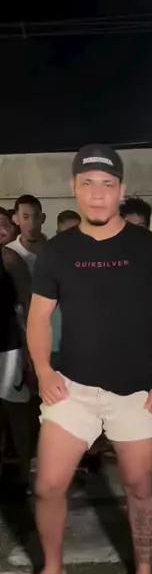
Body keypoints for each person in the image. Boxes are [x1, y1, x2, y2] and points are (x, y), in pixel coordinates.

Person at [18, 144, 152, 574]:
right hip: (73, 389)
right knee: (48, 485)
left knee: (139, 489)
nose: (97, 194)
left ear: (121, 190)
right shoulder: (57, 251)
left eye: (107, 185)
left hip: (136, 391)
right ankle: (52, 567)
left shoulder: (149, 248)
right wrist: (44, 370)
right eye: (88, 184)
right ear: (73, 188)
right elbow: (38, 318)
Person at [0, 208, 33, 489]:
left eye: (1, 224)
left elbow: (30, 306)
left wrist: (31, 349)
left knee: (16, 412)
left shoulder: (10, 259)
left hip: (8, 346)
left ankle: (25, 471)